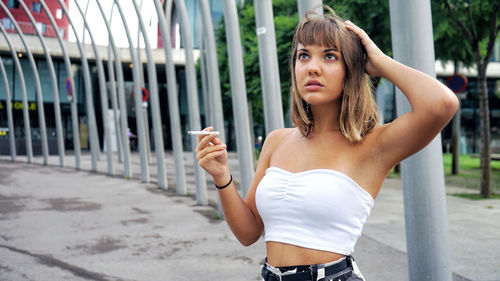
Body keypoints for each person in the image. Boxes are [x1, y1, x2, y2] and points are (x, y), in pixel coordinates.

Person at [195, 11, 458, 281]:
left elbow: (441, 104)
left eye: (330, 56)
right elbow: (248, 233)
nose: (312, 67)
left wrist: (378, 62)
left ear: (351, 70)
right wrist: (222, 176)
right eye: (303, 55)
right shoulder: (276, 140)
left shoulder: (372, 146)